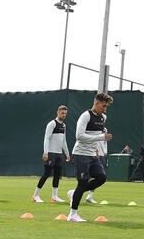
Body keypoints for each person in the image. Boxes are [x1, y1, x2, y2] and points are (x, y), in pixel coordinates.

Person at [66, 93, 113, 222]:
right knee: (83, 182)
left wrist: (97, 148)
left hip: (93, 155)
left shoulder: (103, 117)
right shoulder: (85, 116)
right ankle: (72, 215)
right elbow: (79, 136)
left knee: (101, 178)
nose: (105, 109)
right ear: (96, 103)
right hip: (81, 154)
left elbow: (95, 135)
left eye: (106, 106)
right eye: (103, 106)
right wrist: (101, 138)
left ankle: (74, 193)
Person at [33, 105, 70, 203]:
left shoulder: (64, 126)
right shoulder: (52, 124)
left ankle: (54, 196)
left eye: (65, 113)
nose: (64, 115)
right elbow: (46, 138)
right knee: (46, 174)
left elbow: (64, 141)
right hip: (50, 153)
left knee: (57, 175)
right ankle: (35, 196)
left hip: (59, 154)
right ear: (58, 112)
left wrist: (67, 153)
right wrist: (46, 152)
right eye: (62, 113)